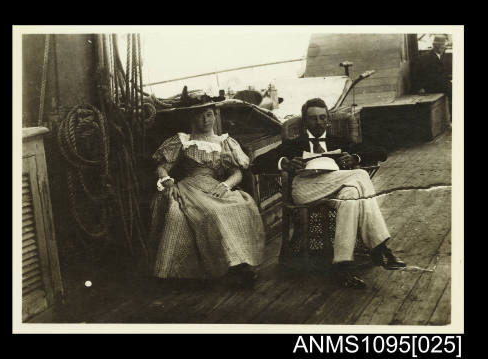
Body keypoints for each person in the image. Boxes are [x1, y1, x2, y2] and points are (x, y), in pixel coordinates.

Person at [251, 98, 406, 289]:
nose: (318, 122)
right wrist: (285, 162)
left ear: (328, 120)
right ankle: (380, 246)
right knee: (360, 175)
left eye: (322, 118)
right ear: (305, 122)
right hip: (305, 189)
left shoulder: (339, 142)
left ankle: (342, 265)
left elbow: (380, 152)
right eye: (313, 118)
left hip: (338, 188)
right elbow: (257, 163)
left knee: (351, 194)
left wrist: (355, 157)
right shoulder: (293, 144)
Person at [148, 99, 266, 287]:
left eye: (209, 114)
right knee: (211, 212)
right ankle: (220, 268)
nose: (205, 119)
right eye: (200, 115)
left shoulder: (223, 142)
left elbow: (237, 172)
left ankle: (240, 264)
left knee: (244, 204)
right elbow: (162, 167)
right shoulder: (183, 141)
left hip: (215, 186)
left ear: (214, 116)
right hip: (190, 186)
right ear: (192, 118)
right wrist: (166, 179)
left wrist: (226, 185)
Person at [413, 34, 452, 114]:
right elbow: (418, 73)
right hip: (431, 87)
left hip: (440, 84)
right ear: (435, 46)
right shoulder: (425, 58)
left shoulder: (442, 56)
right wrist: (420, 87)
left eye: (443, 46)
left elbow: (443, 73)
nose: (443, 48)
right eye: (441, 46)